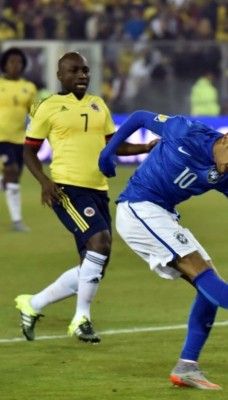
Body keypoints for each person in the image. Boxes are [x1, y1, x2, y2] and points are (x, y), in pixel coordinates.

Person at [98, 110, 228, 390]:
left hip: (162, 214)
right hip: (138, 207)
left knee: (210, 288)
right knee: (205, 277)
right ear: (226, 140)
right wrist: (108, 153)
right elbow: (139, 117)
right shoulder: (184, 131)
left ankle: (187, 366)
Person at [15, 52, 156, 344]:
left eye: (85, 70)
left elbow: (112, 145)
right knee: (99, 242)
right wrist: (44, 181)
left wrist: (146, 147)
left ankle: (33, 304)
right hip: (66, 188)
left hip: (98, 188)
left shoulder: (98, 105)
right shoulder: (47, 107)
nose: (81, 75)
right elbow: (29, 149)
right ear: (60, 75)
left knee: (94, 264)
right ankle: (81, 320)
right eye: (74, 70)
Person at [0, 47, 37, 232]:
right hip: (1, 138)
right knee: (12, 170)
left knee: (13, 180)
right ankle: (17, 221)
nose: (16, 65)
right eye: (12, 62)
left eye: (19, 62)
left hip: (19, 139)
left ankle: (17, 221)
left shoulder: (29, 88)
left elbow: (34, 114)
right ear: (4, 64)